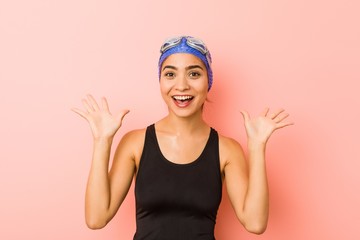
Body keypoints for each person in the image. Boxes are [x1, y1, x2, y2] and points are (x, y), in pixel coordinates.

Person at [71, 36, 293, 240]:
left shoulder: (227, 149)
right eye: (170, 74)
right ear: (160, 81)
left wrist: (257, 146)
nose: (182, 85)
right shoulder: (135, 143)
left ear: (208, 81)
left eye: (194, 73)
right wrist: (102, 141)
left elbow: (255, 223)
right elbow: (96, 218)